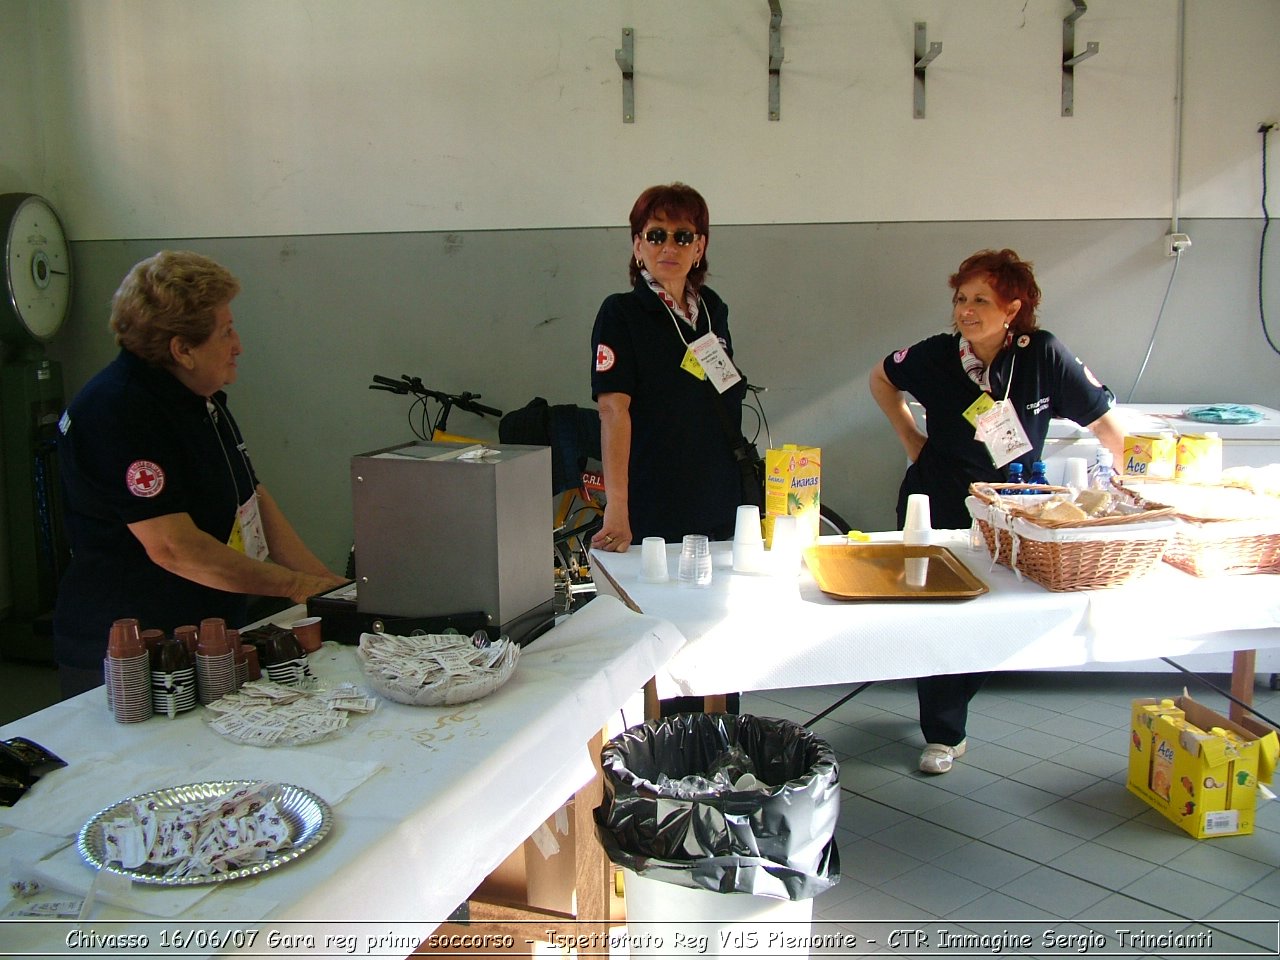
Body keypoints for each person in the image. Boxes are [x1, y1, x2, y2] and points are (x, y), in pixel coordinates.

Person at [869, 248, 1125, 774]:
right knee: (937, 613)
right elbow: (881, 379)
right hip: (938, 496)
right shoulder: (937, 354)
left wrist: (1130, 486)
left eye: (980, 299)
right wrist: (912, 439)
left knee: (1006, 611)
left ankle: (953, 694)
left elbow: (1105, 424)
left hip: (1015, 504)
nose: (966, 310)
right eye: (961, 298)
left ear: (1012, 307)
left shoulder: (1042, 354)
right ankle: (943, 732)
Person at [53, 251, 347, 698]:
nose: (239, 345)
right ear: (182, 350)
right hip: (133, 649)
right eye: (226, 331)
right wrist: (295, 586)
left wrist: (329, 589)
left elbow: (253, 496)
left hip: (206, 626)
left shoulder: (200, 397)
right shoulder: (120, 411)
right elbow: (174, 547)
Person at [590, 183, 752, 553]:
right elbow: (613, 410)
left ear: (700, 247)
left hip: (719, 497)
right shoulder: (622, 313)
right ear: (637, 246)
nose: (669, 247)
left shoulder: (712, 308)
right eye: (656, 235)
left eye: (682, 236)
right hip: (654, 501)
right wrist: (617, 506)